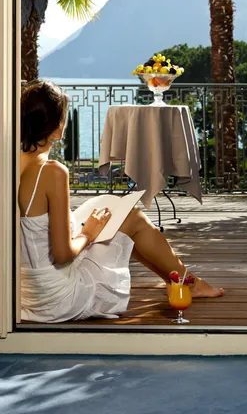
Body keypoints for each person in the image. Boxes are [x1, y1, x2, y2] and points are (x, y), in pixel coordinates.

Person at [19, 80, 224, 323]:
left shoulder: (11, 160)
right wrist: (88, 232)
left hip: (27, 291)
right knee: (132, 218)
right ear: (57, 127)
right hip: (57, 298)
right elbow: (63, 255)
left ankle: (179, 281)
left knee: (120, 217)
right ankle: (188, 282)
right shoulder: (52, 172)